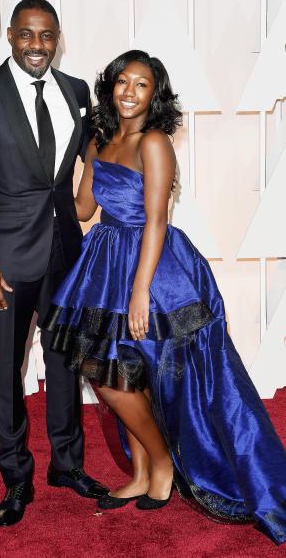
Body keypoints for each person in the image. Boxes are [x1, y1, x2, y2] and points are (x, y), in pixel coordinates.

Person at [44, 50, 286, 545]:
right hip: (105, 256)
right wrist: (40, 178)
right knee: (115, 374)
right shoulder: (100, 140)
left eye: (142, 84)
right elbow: (85, 207)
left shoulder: (154, 142)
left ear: (155, 94)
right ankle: (141, 473)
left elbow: (156, 220)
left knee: (127, 372)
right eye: (122, 82)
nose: (130, 91)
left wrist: (138, 293)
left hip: (151, 267)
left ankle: (161, 463)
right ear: (109, 86)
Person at [0, 0, 108, 527]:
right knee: (5, 375)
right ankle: (17, 478)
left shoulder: (75, 92)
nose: (36, 46)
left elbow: (93, 153)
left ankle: (66, 465)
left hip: (66, 251)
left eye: (46, 36)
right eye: (27, 34)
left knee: (66, 366)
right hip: (4, 265)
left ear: (56, 38)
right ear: (11, 34)